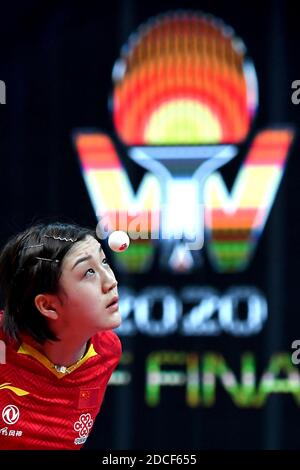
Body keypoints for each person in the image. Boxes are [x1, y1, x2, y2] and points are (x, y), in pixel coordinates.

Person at [0, 222, 122, 449]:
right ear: (48, 305)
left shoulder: (107, 352)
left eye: (104, 261)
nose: (111, 282)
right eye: (89, 272)